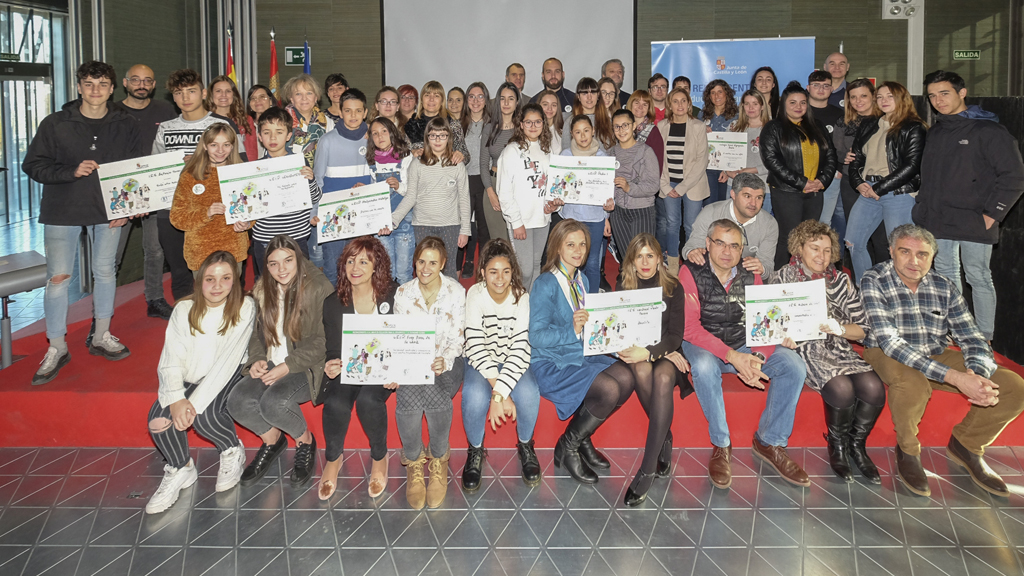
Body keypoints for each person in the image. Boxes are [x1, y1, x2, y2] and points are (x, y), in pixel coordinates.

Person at [860, 224, 1024, 497]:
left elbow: (972, 337)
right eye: (905, 252)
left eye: (922, 254)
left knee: (1013, 386)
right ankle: (908, 452)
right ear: (891, 252)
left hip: (933, 351)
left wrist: (976, 372)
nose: (914, 261)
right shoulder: (874, 279)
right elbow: (889, 341)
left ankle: (967, 445)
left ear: (932, 257)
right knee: (913, 385)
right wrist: (956, 378)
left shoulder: (943, 285)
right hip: (886, 352)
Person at [23, 60, 142, 385]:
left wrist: (127, 207)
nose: (95, 90)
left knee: (105, 272)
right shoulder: (56, 123)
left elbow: (134, 168)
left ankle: (102, 334)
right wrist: (70, 171)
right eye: (89, 84)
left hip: (109, 212)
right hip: (62, 210)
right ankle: (57, 345)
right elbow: (32, 165)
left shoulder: (126, 123)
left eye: (102, 85)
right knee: (58, 278)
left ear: (112, 88)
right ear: (78, 87)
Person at [679, 219, 810, 488]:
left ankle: (769, 442)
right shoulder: (690, 272)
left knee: (793, 365)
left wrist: (757, 359)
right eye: (720, 243)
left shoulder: (752, 275)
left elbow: (764, 324)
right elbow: (690, 329)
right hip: (706, 343)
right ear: (707, 244)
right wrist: (733, 357)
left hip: (744, 343)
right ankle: (721, 444)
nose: (727, 251)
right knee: (703, 367)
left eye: (734, 246)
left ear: (742, 251)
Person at [767, 220, 886, 484]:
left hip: (839, 346)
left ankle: (857, 445)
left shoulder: (842, 280)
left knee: (873, 387)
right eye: (814, 248)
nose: (821, 256)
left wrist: (841, 329)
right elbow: (768, 321)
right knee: (842, 388)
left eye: (827, 250)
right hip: (805, 348)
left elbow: (864, 328)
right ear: (799, 249)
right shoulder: (783, 277)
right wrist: (780, 337)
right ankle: (837, 446)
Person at [913, 70, 1024, 342]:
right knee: (947, 276)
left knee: (979, 277)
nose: (938, 100)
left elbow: (1014, 176)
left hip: (975, 219)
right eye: (932, 96)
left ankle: (984, 336)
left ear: (962, 93)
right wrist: (922, 208)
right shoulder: (937, 131)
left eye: (944, 93)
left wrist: (992, 214)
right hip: (938, 218)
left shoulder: (989, 130)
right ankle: (958, 331)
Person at [145, 251, 255, 514]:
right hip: (190, 376)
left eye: (225, 278)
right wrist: (175, 397)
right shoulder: (183, 309)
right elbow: (170, 359)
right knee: (158, 421)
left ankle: (231, 449)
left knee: (205, 416)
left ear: (235, 280)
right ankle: (180, 468)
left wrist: (191, 405)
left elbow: (226, 364)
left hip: (229, 372)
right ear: (199, 280)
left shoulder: (244, 307)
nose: (217, 286)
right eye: (210, 279)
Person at [529, 219, 637, 485]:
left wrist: (612, 343)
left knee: (626, 376)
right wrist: (572, 329)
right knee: (609, 389)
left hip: (579, 354)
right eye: (570, 245)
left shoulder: (583, 280)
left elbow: (591, 330)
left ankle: (581, 438)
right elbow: (536, 337)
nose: (578, 250)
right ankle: (568, 446)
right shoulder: (546, 283)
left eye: (582, 245)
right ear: (557, 248)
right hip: (551, 362)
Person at [227, 234, 332, 487]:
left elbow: (324, 341)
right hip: (272, 363)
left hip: (305, 366)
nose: (281, 269)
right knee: (237, 401)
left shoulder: (318, 287)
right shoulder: (264, 288)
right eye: (274, 264)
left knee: (273, 403)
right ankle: (273, 440)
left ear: (298, 258)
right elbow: (256, 333)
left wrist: (288, 365)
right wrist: (257, 359)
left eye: (288, 260)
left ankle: (305, 440)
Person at [153, 68, 246, 301]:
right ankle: (188, 323)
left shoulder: (222, 124)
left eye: (191, 91)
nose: (185, 98)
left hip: (225, 224)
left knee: (228, 279)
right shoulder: (165, 128)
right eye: (178, 92)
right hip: (174, 207)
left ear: (203, 93)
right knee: (182, 270)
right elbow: (154, 169)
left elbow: (241, 169)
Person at [318, 237, 399, 501]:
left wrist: (398, 370)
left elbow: (404, 339)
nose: (356, 267)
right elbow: (333, 351)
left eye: (364, 261)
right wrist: (331, 365)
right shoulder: (333, 303)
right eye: (351, 260)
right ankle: (333, 459)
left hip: (384, 369)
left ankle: (379, 457)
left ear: (377, 266)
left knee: (367, 401)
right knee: (336, 402)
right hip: (352, 367)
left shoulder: (394, 296)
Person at [616, 233, 690, 505]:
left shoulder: (673, 287)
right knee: (642, 369)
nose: (645, 262)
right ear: (632, 262)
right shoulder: (624, 286)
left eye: (651, 255)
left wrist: (651, 352)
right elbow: (618, 328)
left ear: (660, 259)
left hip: (665, 354)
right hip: (640, 354)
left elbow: (675, 336)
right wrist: (640, 352)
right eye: (639, 256)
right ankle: (664, 436)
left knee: (661, 374)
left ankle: (647, 469)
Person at [461, 239, 541, 491]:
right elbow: (474, 344)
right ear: (482, 272)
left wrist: (498, 395)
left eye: (506, 272)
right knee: (473, 395)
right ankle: (475, 450)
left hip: (512, 359)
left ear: (513, 272)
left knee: (529, 393)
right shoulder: (474, 294)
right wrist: (501, 393)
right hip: (480, 359)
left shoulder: (522, 298)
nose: (500, 278)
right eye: (493, 271)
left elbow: (520, 348)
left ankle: (526, 445)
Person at [394, 237, 466, 509]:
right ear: (414, 261)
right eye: (421, 261)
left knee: (435, 389)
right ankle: (413, 461)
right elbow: (399, 337)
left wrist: (443, 360)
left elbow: (458, 339)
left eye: (433, 262)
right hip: (413, 363)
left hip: (448, 360)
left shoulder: (456, 292)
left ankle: (438, 458)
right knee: (410, 393)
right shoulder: (403, 293)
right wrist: (396, 368)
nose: (425, 268)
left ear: (443, 264)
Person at [846, 81, 927, 284]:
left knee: (900, 248)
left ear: (901, 98)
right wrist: (857, 182)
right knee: (852, 242)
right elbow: (855, 158)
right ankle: (865, 290)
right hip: (867, 191)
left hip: (897, 193)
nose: (883, 100)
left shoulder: (914, 127)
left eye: (889, 96)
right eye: (880, 97)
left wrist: (879, 188)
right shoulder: (870, 124)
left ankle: (900, 293)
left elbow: (911, 166)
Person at [114, 63, 177, 321]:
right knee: (111, 257)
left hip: (156, 191)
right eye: (136, 80)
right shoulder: (111, 112)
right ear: (125, 83)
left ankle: (154, 299)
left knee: (155, 250)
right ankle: (101, 311)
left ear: (153, 85)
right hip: (120, 194)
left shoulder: (166, 111)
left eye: (148, 81)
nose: (142, 85)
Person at [760, 81, 838, 271]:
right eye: (793, 102)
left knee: (811, 239)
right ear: (784, 104)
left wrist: (823, 181)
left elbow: (831, 155)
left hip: (815, 192)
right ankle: (780, 277)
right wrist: (802, 183)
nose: (798, 107)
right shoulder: (773, 127)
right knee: (789, 238)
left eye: (803, 102)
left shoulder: (816, 125)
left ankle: (807, 276)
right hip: (787, 192)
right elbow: (772, 161)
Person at [388, 117, 471, 279]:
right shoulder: (417, 164)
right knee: (425, 271)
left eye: (442, 135)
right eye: (433, 135)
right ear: (427, 138)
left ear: (449, 138)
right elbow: (410, 196)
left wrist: (465, 229)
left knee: (448, 271)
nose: (438, 140)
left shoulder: (457, 165)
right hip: (423, 225)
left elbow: (464, 199)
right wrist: (393, 219)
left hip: (450, 226)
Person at [169, 124, 250, 272]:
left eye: (226, 145)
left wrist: (247, 223)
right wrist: (206, 213)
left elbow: (252, 208)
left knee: (232, 294)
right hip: (201, 252)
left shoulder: (242, 172)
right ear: (205, 146)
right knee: (206, 295)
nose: (220, 150)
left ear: (233, 146)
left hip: (234, 250)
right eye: (214, 145)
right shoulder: (190, 175)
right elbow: (176, 217)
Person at [313, 88, 373, 285]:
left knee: (362, 266)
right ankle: (334, 312)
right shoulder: (327, 141)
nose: (353, 115)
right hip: (333, 217)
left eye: (358, 111)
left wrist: (369, 186)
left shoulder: (374, 139)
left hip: (363, 215)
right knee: (334, 268)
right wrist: (315, 210)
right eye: (348, 110)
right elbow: (318, 179)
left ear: (365, 112)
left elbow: (381, 175)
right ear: (340, 111)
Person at [251, 106, 323, 270]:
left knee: (299, 287)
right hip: (265, 238)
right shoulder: (254, 169)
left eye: (279, 131)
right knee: (269, 287)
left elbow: (315, 198)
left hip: (296, 237)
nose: (273, 137)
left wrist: (311, 180)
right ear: (260, 136)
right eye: (267, 132)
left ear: (289, 135)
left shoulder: (299, 163)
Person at [552, 115, 615, 292]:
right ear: (572, 134)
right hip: (571, 218)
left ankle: (591, 304)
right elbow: (558, 187)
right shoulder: (565, 156)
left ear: (593, 131)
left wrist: (608, 212)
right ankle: (571, 301)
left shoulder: (603, 158)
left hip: (595, 219)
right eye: (578, 132)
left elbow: (609, 191)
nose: (583, 135)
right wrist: (557, 197)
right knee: (571, 262)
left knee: (593, 263)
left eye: (586, 130)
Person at [496, 103, 553, 289]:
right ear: (520, 124)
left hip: (542, 219)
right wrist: (516, 222)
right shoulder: (512, 151)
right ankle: (518, 303)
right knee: (524, 269)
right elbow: (504, 192)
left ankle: (532, 306)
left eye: (538, 122)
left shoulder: (547, 150)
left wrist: (554, 205)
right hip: (521, 221)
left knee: (536, 265)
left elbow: (553, 184)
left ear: (544, 123)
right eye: (529, 122)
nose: (533, 126)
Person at [655, 86, 710, 275]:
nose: (680, 105)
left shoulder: (698, 126)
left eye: (683, 101)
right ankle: (672, 267)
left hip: (692, 185)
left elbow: (702, 160)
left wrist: (682, 187)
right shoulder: (661, 126)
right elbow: (658, 158)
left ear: (689, 104)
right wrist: (664, 184)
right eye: (675, 101)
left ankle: (691, 266)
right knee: (672, 224)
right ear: (670, 104)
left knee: (691, 225)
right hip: (669, 184)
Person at [682, 173, 777, 278]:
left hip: (745, 278)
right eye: (747, 196)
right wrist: (692, 253)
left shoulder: (769, 224)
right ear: (733, 194)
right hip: (710, 275)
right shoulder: (711, 213)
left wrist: (761, 269)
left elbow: (767, 267)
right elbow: (690, 247)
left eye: (759, 198)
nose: (753, 203)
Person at [833, 78, 885, 267]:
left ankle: (883, 283)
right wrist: (843, 156)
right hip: (851, 184)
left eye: (863, 95)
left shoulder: (885, 120)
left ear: (873, 96)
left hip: (880, 184)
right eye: (853, 97)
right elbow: (835, 150)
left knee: (881, 239)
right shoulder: (843, 122)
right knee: (856, 238)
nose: (858, 101)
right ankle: (862, 283)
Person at [366, 116, 415, 284]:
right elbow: (369, 194)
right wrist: (362, 188)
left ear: (392, 132)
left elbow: (412, 191)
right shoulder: (370, 161)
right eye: (375, 133)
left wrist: (398, 186)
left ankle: (405, 308)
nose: (380, 136)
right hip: (379, 222)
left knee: (403, 272)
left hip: (404, 220)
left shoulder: (406, 156)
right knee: (386, 271)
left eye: (384, 131)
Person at [609, 109, 659, 257]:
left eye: (625, 125)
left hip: (642, 211)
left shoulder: (646, 151)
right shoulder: (610, 153)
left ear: (633, 126)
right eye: (617, 126)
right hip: (617, 213)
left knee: (643, 257)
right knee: (627, 259)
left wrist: (629, 187)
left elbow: (653, 185)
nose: (621, 130)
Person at [479, 82, 521, 244]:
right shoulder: (489, 128)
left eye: (510, 99)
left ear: (517, 102)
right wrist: (490, 192)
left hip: (517, 187)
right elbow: (483, 164)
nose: (506, 103)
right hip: (494, 184)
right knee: (499, 241)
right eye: (502, 98)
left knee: (517, 242)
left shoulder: (522, 128)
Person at [458, 82, 492, 277]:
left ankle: (485, 264)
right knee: (466, 225)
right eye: (471, 96)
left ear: (486, 99)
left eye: (480, 96)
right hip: (464, 179)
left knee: (484, 225)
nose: (476, 100)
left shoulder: (492, 124)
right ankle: (469, 260)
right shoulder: (460, 124)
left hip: (485, 179)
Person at [719, 89, 772, 214]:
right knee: (733, 227)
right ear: (742, 106)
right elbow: (723, 154)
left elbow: (776, 161)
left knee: (760, 228)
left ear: (762, 106)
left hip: (762, 185)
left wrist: (752, 170)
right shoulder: (734, 126)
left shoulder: (772, 128)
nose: (751, 107)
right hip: (736, 185)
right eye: (747, 103)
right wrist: (727, 170)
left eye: (755, 103)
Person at [807, 70, 846, 237]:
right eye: (816, 85)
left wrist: (838, 168)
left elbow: (844, 145)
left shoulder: (839, 114)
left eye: (826, 86)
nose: (821, 89)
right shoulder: (799, 111)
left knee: (824, 222)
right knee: (804, 221)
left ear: (832, 89)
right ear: (808, 88)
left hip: (830, 176)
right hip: (803, 176)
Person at [402, 81, 470, 165]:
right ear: (422, 100)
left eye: (436, 95)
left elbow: (466, 156)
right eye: (427, 95)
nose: (431, 99)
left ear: (442, 101)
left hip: (445, 174)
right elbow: (402, 157)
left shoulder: (452, 124)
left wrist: (460, 156)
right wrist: (411, 154)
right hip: (420, 175)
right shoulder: (412, 125)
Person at [281, 73, 334, 168]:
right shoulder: (281, 121)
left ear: (316, 98)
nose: (304, 98)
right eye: (298, 94)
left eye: (309, 93)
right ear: (291, 99)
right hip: (287, 174)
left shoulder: (327, 122)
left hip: (320, 177)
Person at [701, 80, 740, 205]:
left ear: (727, 93)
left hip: (728, 168)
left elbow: (739, 145)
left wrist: (728, 171)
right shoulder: (702, 115)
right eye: (712, 93)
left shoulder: (737, 115)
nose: (716, 96)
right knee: (709, 206)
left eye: (719, 92)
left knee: (725, 206)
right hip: (707, 167)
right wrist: (701, 130)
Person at [559, 77, 614, 152]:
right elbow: (566, 153)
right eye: (585, 93)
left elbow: (613, 151)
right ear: (578, 96)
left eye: (593, 93)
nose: (589, 97)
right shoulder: (570, 121)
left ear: (598, 95)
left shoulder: (608, 121)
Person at [204, 75, 249, 142]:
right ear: (211, 94)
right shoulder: (203, 120)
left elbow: (251, 150)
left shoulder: (246, 120)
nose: (223, 95)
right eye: (218, 91)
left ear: (234, 95)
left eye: (228, 91)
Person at [628, 90, 664, 171]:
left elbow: (658, 164)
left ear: (649, 108)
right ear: (631, 104)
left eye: (645, 104)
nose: (640, 107)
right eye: (637, 103)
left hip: (644, 180)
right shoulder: (623, 127)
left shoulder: (654, 131)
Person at [243, 84, 277, 162]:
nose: (257, 101)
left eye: (262, 97)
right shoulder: (244, 125)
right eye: (253, 98)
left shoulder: (280, 123)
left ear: (271, 101)